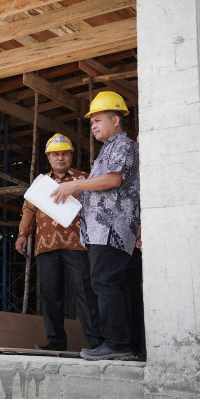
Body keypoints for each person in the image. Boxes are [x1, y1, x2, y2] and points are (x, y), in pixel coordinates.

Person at [51, 91, 140, 361]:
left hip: (111, 227)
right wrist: (79, 192)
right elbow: (103, 187)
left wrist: (76, 184)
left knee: (105, 282)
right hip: (103, 229)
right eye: (91, 122)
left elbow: (113, 180)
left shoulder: (122, 145)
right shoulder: (107, 149)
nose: (93, 126)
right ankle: (129, 345)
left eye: (98, 120)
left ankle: (115, 343)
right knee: (117, 284)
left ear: (116, 119)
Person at [15, 133, 101, 351]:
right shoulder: (41, 183)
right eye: (56, 155)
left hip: (77, 244)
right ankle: (55, 343)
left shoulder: (84, 178)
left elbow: (99, 204)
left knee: (84, 293)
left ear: (71, 156)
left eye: (64, 154)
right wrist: (23, 234)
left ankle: (97, 343)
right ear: (49, 158)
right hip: (46, 246)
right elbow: (29, 208)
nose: (60, 158)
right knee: (50, 295)